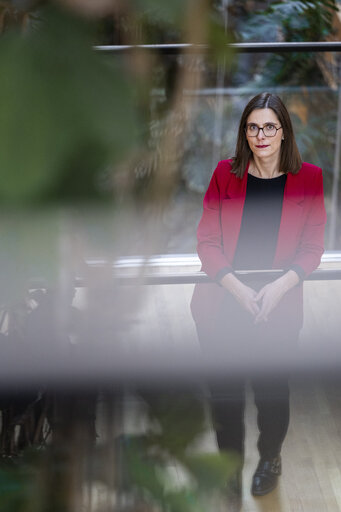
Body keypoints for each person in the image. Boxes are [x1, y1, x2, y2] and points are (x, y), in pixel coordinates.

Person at [190, 92, 326, 503]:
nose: (261, 134)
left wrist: (280, 286)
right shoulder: (223, 175)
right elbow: (207, 241)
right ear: (244, 134)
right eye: (253, 127)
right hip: (223, 303)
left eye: (269, 126)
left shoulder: (310, 179)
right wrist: (236, 287)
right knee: (226, 398)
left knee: (272, 394)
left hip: (278, 306)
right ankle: (229, 469)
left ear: (284, 132)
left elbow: (312, 248)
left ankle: (270, 459)